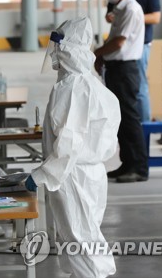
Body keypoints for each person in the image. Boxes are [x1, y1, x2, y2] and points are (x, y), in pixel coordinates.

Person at [26, 17, 120, 278]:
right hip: (91, 175)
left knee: (81, 244)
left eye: (58, 48)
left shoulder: (72, 88)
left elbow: (69, 143)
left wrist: (41, 174)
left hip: (72, 176)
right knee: (85, 238)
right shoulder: (93, 85)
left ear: (67, 49)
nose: (54, 54)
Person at [95, 0, 149, 183]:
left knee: (129, 118)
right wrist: (102, 57)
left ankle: (139, 167)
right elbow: (113, 39)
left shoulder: (132, 10)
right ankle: (127, 163)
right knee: (120, 119)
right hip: (116, 67)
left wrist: (95, 53)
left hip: (126, 69)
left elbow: (119, 42)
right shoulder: (119, 8)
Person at [105, 0, 161, 122]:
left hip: (140, 46)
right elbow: (110, 13)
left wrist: (130, 18)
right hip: (121, 51)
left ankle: (143, 126)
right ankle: (131, 124)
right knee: (125, 93)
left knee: (140, 89)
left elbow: (156, 17)